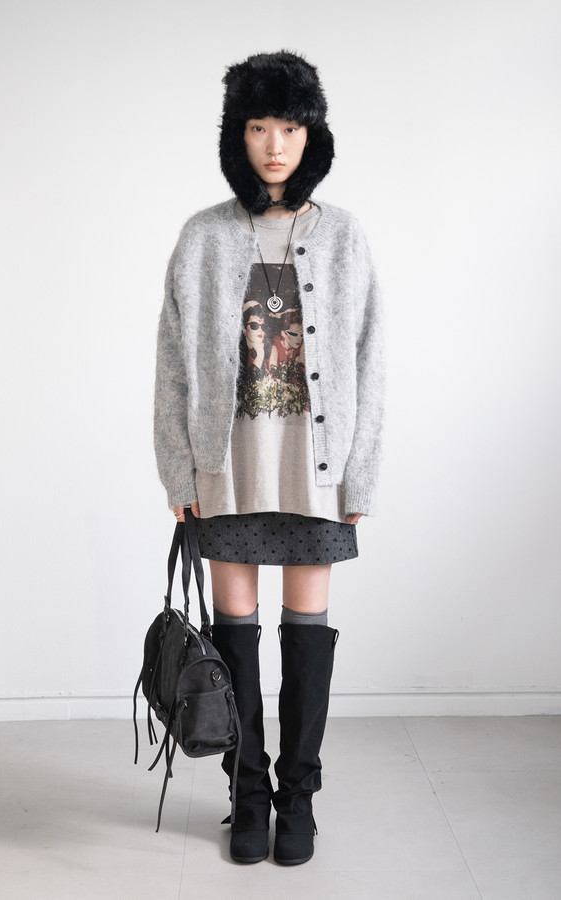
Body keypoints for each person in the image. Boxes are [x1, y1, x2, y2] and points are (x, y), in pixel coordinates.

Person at [154, 51, 385, 866]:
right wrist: (178, 469)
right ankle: (247, 795)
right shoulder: (203, 236)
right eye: (259, 127)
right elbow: (173, 363)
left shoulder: (344, 235)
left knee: (307, 629)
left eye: (289, 127)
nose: (275, 145)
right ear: (238, 136)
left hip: (316, 472)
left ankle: (300, 800)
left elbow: (370, 357)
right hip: (228, 468)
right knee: (236, 631)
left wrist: (362, 471)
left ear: (312, 134)